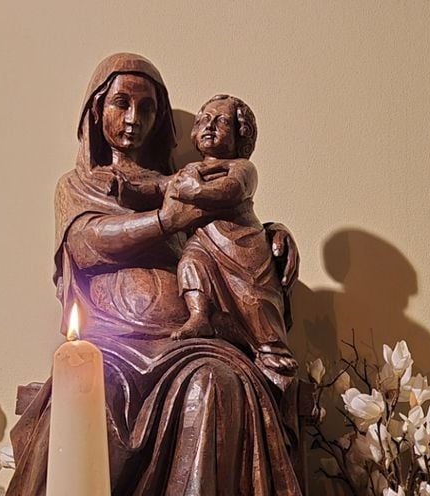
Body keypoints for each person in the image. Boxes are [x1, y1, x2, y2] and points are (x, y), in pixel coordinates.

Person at [0, 53, 303, 496]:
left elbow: (232, 222)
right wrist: (162, 221)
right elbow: (88, 245)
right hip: (111, 349)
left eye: (147, 106)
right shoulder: (82, 186)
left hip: (189, 344)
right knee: (93, 405)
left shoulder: (189, 182)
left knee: (221, 386)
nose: (134, 118)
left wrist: (273, 233)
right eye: (121, 103)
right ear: (97, 111)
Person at [113, 94, 295, 385]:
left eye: (221, 122)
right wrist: (128, 188)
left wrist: (195, 190)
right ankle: (200, 316)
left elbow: (230, 190)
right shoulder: (187, 172)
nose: (210, 127)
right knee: (190, 264)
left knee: (253, 297)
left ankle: (270, 346)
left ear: (241, 137)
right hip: (204, 242)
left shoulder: (241, 168)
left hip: (241, 244)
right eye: (203, 121)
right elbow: (160, 187)